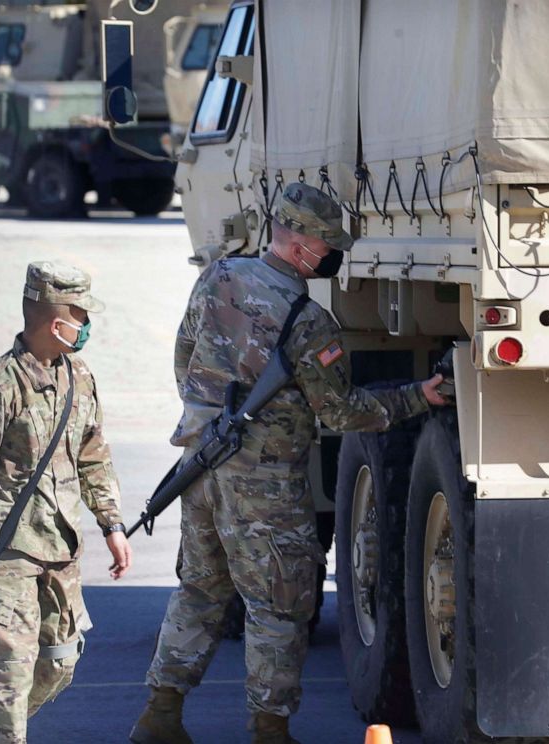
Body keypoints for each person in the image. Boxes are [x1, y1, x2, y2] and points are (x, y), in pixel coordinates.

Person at [130, 183, 447, 744]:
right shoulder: (308, 320)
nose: (331, 256)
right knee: (279, 605)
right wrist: (420, 395)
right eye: (328, 246)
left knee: (201, 592)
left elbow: (184, 359)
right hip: (265, 483)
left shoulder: (218, 276)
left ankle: (160, 716)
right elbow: (345, 412)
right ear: (301, 245)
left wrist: (212, 415)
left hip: (202, 467)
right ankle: (270, 730)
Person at [0, 261, 132, 744]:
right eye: (80, 316)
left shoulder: (78, 378)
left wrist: (112, 525)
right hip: (7, 554)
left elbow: (93, 456)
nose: (86, 326)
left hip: (61, 547)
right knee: (10, 678)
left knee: (59, 664)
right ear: (53, 320)